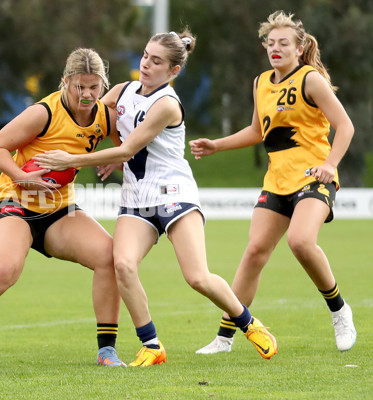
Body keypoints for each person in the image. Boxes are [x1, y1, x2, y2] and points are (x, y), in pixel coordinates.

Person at [34, 29, 278, 365]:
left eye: (157, 61)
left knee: (197, 276)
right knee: (122, 264)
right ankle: (151, 345)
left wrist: (73, 160)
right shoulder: (121, 90)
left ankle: (250, 325)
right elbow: (86, 119)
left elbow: (130, 146)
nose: (146, 64)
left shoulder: (166, 104)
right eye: (146, 55)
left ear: (173, 71)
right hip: (136, 198)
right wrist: (41, 127)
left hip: (174, 194)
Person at [0, 48, 125, 368]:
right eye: (80, 87)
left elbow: (126, 147)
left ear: (103, 85)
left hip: (60, 211)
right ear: (66, 82)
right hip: (15, 203)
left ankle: (107, 351)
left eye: (94, 87)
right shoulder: (43, 113)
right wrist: (23, 177)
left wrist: (117, 157)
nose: (87, 95)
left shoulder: (105, 117)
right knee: (3, 271)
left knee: (110, 257)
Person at [189, 11, 356, 354]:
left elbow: (346, 125)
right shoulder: (260, 82)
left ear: (299, 48)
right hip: (277, 181)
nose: (275, 48)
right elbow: (256, 131)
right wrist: (216, 145)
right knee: (253, 253)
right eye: (270, 43)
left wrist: (330, 165)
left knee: (300, 242)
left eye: (283, 43)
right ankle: (225, 338)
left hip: (314, 178)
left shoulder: (310, 79)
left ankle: (340, 311)